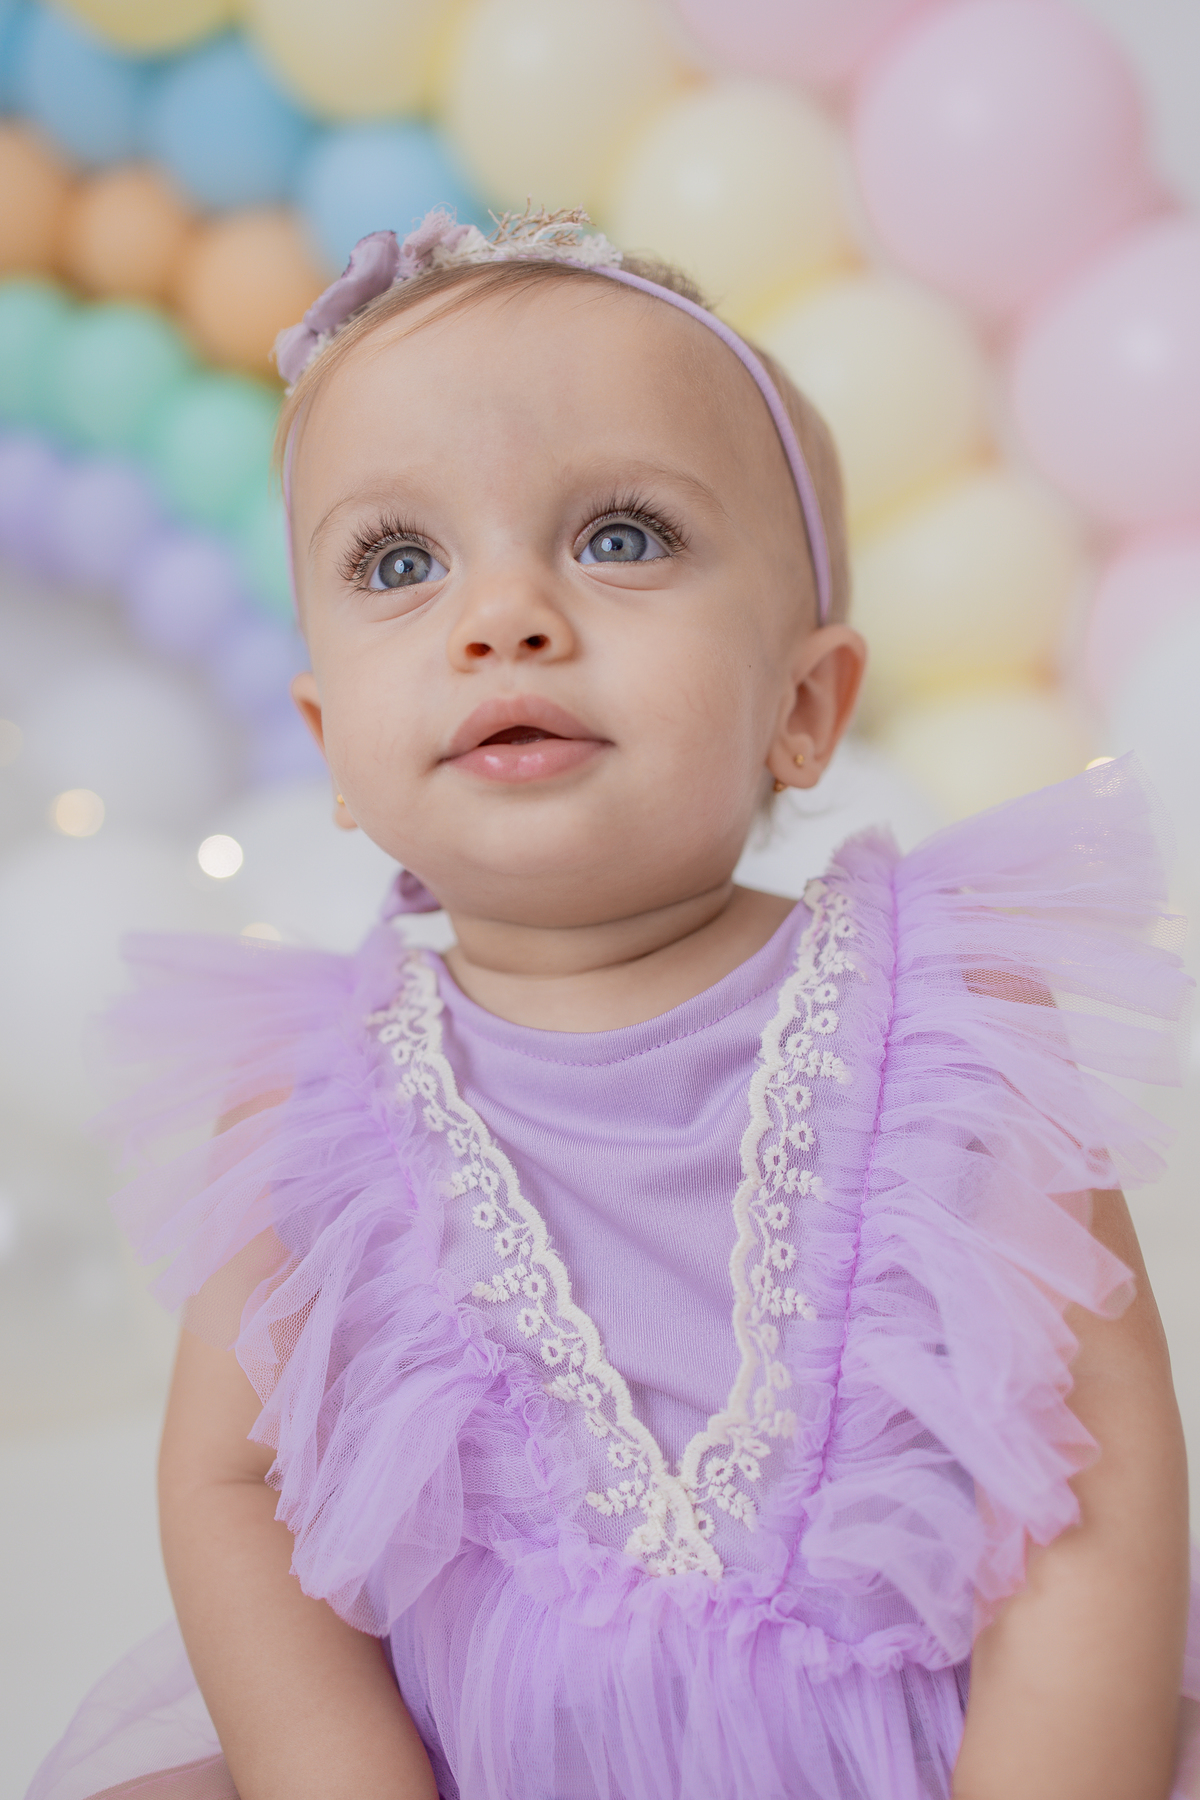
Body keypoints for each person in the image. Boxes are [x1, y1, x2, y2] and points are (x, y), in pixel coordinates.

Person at [26, 207, 1200, 1800]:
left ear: (805, 706)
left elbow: (1093, 1471)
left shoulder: (952, 1023)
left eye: (622, 537)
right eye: (400, 562)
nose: (501, 615)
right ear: (329, 745)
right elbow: (236, 1490)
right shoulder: (304, 1109)